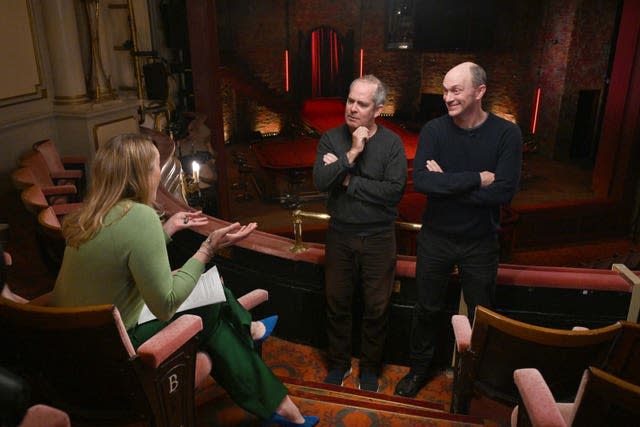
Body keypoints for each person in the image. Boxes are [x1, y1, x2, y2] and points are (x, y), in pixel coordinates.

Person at [49, 134, 318, 427]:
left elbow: (119, 259)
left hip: (77, 347)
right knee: (212, 308)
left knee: (206, 289)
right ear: (140, 175)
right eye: (154, 166)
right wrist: (208, 248)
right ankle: (253, 344)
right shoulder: (139, 216)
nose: (157, 174)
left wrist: (166, 230)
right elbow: (165, 305)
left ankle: (275, 400)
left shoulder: (89, 215)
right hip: (116, 352)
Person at [394, 62, 523, 397]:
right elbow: (422, 181)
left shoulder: (507, 134)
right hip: (436, 236)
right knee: (426, 308)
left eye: (455, 90)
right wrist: (476, 177)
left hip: (481, 241)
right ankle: (419, 370)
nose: (447, 97)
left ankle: (479, 381)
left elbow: (504, 192)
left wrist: (446, 182)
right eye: (446, 90)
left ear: (479, 92)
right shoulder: (435, 130)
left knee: (483, 314)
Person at [312, 75, 407, 392]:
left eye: (361, 104)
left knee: (377, 308)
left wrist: (348, 180)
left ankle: (369, 369)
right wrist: (351, 154)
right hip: (340, 234)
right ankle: (339, 365)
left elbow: (393, 193)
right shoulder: (331, 138)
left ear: (377, 109)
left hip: (379, 237)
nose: (352, 108)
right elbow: (321, 181)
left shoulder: (392, 144)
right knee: (337, 303)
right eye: (350, 100)